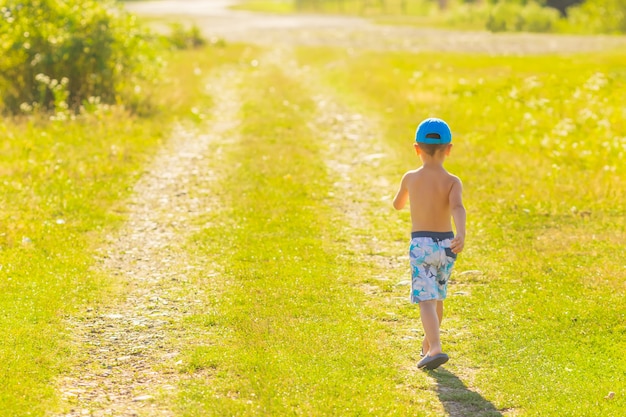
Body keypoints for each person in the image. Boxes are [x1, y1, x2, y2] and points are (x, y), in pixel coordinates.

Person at [392, 117, 466, 370]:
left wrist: (407, 193)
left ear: (416, 149)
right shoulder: (453, 181)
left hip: (422, 245)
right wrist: (461, 233)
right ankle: (427, 345)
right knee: (437, 298)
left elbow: (397, 204)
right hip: (446, 245)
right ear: (449, 149)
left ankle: (435, 347)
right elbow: (457, 207)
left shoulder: (411, 178)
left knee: (425, 300)